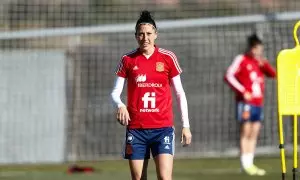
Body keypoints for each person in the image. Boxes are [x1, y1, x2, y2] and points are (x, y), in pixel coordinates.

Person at [110, 10, 192, 180]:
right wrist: (120, 105)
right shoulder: (127, 60)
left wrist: (186, 125)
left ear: (156, 34)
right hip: (136, 130)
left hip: (162, 129)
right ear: (135, 36)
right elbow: (115, 93)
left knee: (164, 177)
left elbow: (179, 92)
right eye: (141, 34)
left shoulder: (168, 58)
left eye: (148, 33)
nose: (145, 38)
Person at [224, 34, 276, 176]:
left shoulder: (259, 62)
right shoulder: (241, 59)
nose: (258, 51)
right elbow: (228, 75)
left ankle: (250, 163)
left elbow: (273, 74)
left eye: (260, 49)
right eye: (256, 48)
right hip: (245, 103)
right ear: (251, 48)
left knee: (254, 132)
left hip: (258, 103)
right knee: (246, 131)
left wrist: (264, 64)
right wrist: (243, 91)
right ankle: (244, 164)